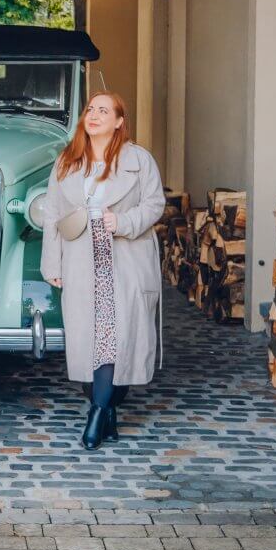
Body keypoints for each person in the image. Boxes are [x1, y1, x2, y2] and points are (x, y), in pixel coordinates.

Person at [40, 91, 165, 449]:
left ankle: (96, 414)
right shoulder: (68, 160)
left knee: (114, 340)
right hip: (80, 257)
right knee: (86, 339)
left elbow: (155, 203)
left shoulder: (139, 160)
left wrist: (122, 220)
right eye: (90, 109)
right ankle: (107, 411)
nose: (93, 115)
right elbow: (52, 214)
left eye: (103, 110)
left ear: (119, 121)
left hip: (123, 258)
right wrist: (52, 262)